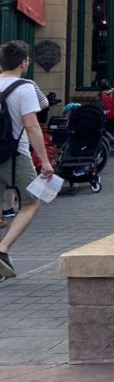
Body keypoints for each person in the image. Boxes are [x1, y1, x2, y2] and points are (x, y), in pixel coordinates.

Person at [0, 41, 55, 280]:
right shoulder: (25, 87)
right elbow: (32, 125)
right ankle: (2, 250)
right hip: (14, 155)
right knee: (32, 202)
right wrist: (45, 160)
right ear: (24, 63)